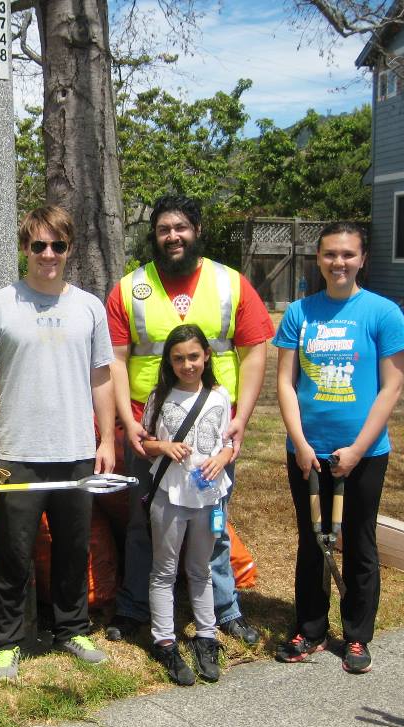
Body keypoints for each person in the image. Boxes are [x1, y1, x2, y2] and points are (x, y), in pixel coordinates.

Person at [104, 194, 274, 646]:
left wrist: (243, 419)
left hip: (214, 430)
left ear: (196, 231)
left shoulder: (230, 284)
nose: (173, 236)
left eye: (181, 227)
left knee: (213, 518)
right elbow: (115, 360)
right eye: (163, 229)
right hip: (150, 433)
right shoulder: (129, 288)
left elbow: (255, 351)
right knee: (144, 520)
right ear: (154, 236)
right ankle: (135, 606)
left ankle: (223, 609)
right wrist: (128, 421)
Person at [0, 205, 117, 682]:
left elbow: (102, 378)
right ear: (24, 249)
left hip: (75, 450)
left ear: (69, 249)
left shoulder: (90, 307)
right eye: (38, 246)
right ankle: (6, 642)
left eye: (58, 245)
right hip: (17, 451)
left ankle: (72, 627)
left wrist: (106, 438)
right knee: (13, 551)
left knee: (74, 546)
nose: (48, 254)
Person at [273, 222, 404, 673]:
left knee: (358, 541)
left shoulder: (382, 313)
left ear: (362, 259)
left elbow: (391, 388)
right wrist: (299, 443)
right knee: (313, 541)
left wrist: (356, 449)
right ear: (318, 258)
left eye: (348, 255)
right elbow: (285, 382)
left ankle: (356, 636)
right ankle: (310, 629)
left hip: (364, 454)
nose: (339, 263)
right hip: (308, 451)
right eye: (331, 254)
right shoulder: (299, 312)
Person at [141, 324, 233, 686]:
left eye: (193, 356)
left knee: (201, 568)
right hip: (170, 494)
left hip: (209, 497)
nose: (187, 365)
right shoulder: (159, 397)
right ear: (169, 361)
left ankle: (206, 637)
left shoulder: (219, 396)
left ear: (206, 356)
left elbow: (229, 442)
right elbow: (145, 442)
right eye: (178, 358)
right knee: (164, 571)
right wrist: (163, 447)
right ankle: (164, 639)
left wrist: (224, 457)